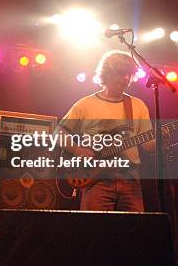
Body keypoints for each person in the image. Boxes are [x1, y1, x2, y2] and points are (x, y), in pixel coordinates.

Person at [58, 50, 159, 212]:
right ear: (107, 74)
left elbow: (148, 146)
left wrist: (162, 139)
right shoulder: (85, 104)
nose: (126, 78)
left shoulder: (138, 105)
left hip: (130, 180)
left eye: (129, 74)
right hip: (96, 182)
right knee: (96, 233)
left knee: (134, 233)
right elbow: (58, 134)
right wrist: (77, 149)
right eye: (121, 73)